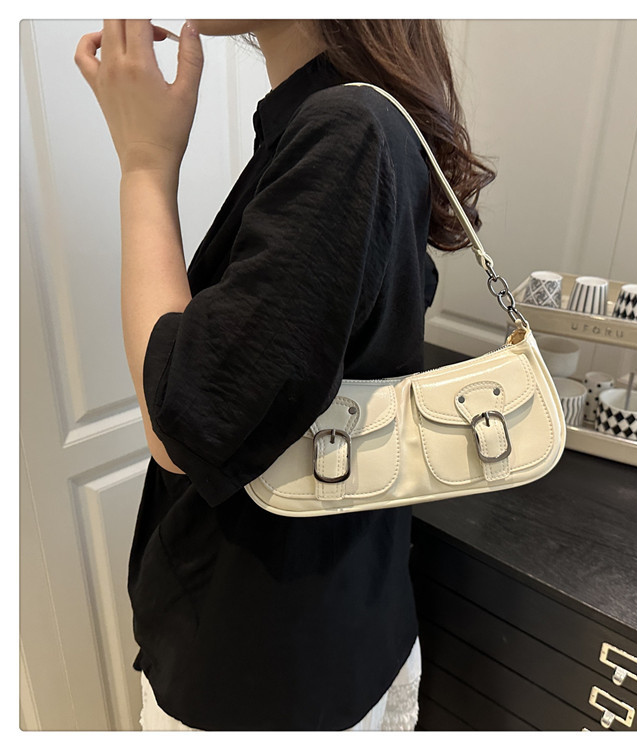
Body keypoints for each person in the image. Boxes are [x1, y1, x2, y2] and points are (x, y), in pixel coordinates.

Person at [74, 19, 495, 731]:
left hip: (264, 674)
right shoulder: (360, 120)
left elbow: (187, 426)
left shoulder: (347, 128)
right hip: (335, 636)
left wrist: (144, 166)